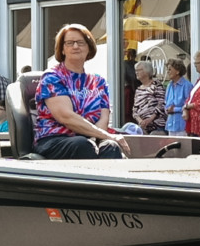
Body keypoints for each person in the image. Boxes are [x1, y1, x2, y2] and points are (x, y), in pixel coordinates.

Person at [33, 24, 128, 159]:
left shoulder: (99, 81)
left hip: (90, 139)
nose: (76, 46)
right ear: (63, 49)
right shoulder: (52, 77)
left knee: (110, 146)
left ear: (89, 48)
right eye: (70, 43)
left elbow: (104, 118)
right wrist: (103, 136)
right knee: (82, 144)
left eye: (81, 43)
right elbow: (65, 117)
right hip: (54, 139)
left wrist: (99, 138)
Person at [131, 61, 166, 133]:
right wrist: (140, 121)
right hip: (142, 127)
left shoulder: (156, 86)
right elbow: (135, 110)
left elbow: (162, 104)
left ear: (147, 72)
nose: (136, 72)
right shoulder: (139, 89)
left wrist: (150, 119)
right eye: (136, 70)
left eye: (139, 70)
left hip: (157, 126)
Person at [162, 58, 191, 134]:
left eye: (170, 69)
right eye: (167, 70)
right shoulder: (169, 86)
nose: (167, 72)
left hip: (182, 126)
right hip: (170, 125)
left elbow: (189, 106)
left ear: (177, 71)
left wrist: (174, 110)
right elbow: (166, 104)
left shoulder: (187, 85)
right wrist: (167, 109)